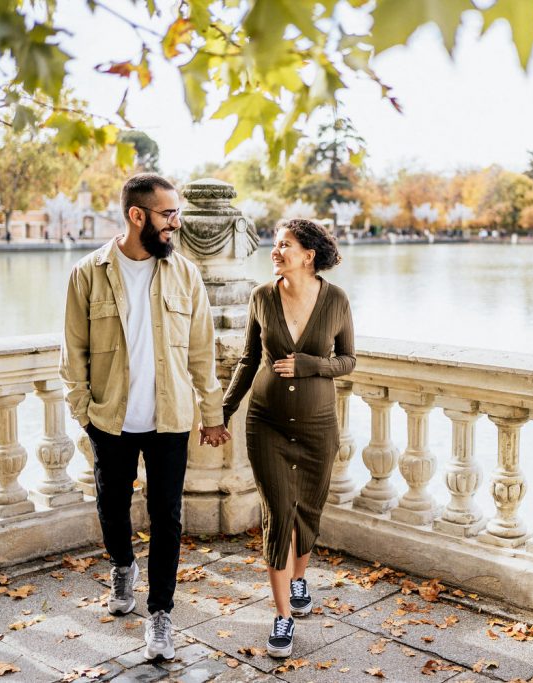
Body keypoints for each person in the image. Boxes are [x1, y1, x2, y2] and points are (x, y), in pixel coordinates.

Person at [60, 172, 231, 661]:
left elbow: (202, 351)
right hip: (110, 420)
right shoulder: (87, 272)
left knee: (167, 517)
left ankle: (160, 615)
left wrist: (211, 413)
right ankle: (121, 566)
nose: (176, 223)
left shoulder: (185, 274)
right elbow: (72, 354)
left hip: (170, 419)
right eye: (168, 214)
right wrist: (85, 414)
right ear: (138, 216)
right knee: (111, 508)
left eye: (176, 213)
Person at [221, 218, 356, 658]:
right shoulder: (261, 297)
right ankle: (282, 616)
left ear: (308, 255)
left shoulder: (336, 300)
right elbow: (247, 359)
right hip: (267, 424)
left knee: (306, 511)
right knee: (278, 514)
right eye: (275, 244)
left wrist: (310, 365)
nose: (275, 251)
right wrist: (220, 411)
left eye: (285, 245)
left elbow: (348, 360)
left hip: (319, 427)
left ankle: (299, 578)